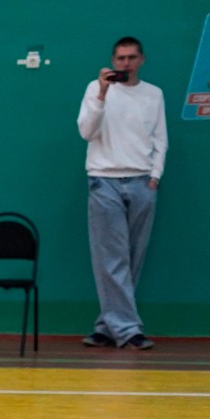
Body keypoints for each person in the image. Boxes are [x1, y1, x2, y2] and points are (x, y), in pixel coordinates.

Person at [79, 36, 167, 350]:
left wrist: (155, 176)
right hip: (104, 181)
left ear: (141, 60)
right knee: (111, 257)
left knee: (132, 258)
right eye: (120, 58)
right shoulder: (95, 89)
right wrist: (102, 95)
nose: (125, 63)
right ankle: (129, 331)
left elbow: (160, 138)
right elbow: (86, 132)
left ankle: (106, 326)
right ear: (113, 61)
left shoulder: (154, 94)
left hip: (143, 181)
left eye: (131, 58)